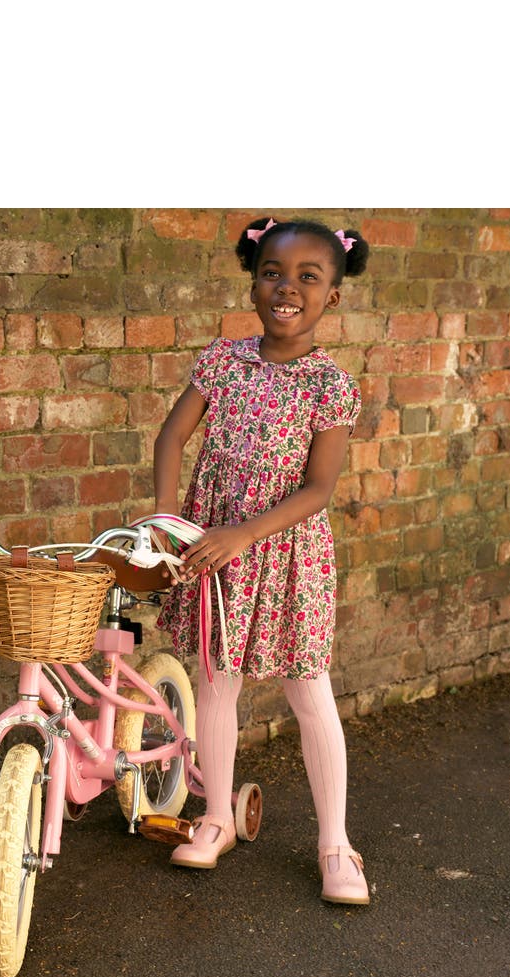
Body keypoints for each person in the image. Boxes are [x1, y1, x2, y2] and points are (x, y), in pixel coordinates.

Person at [153, 216, 371, 904]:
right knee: (217, 680)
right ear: (253, 282)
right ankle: (215, 816)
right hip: (211, 545)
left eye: (308, 278)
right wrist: (166, 516)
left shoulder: (329, 385)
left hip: (283, 553)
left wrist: (243, 535)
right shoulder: (221, 360)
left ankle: (336, 845)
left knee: (309, 689)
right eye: (273, 273)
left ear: (331, 297)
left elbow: (319, 487)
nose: (287, 288)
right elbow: (172, 435)